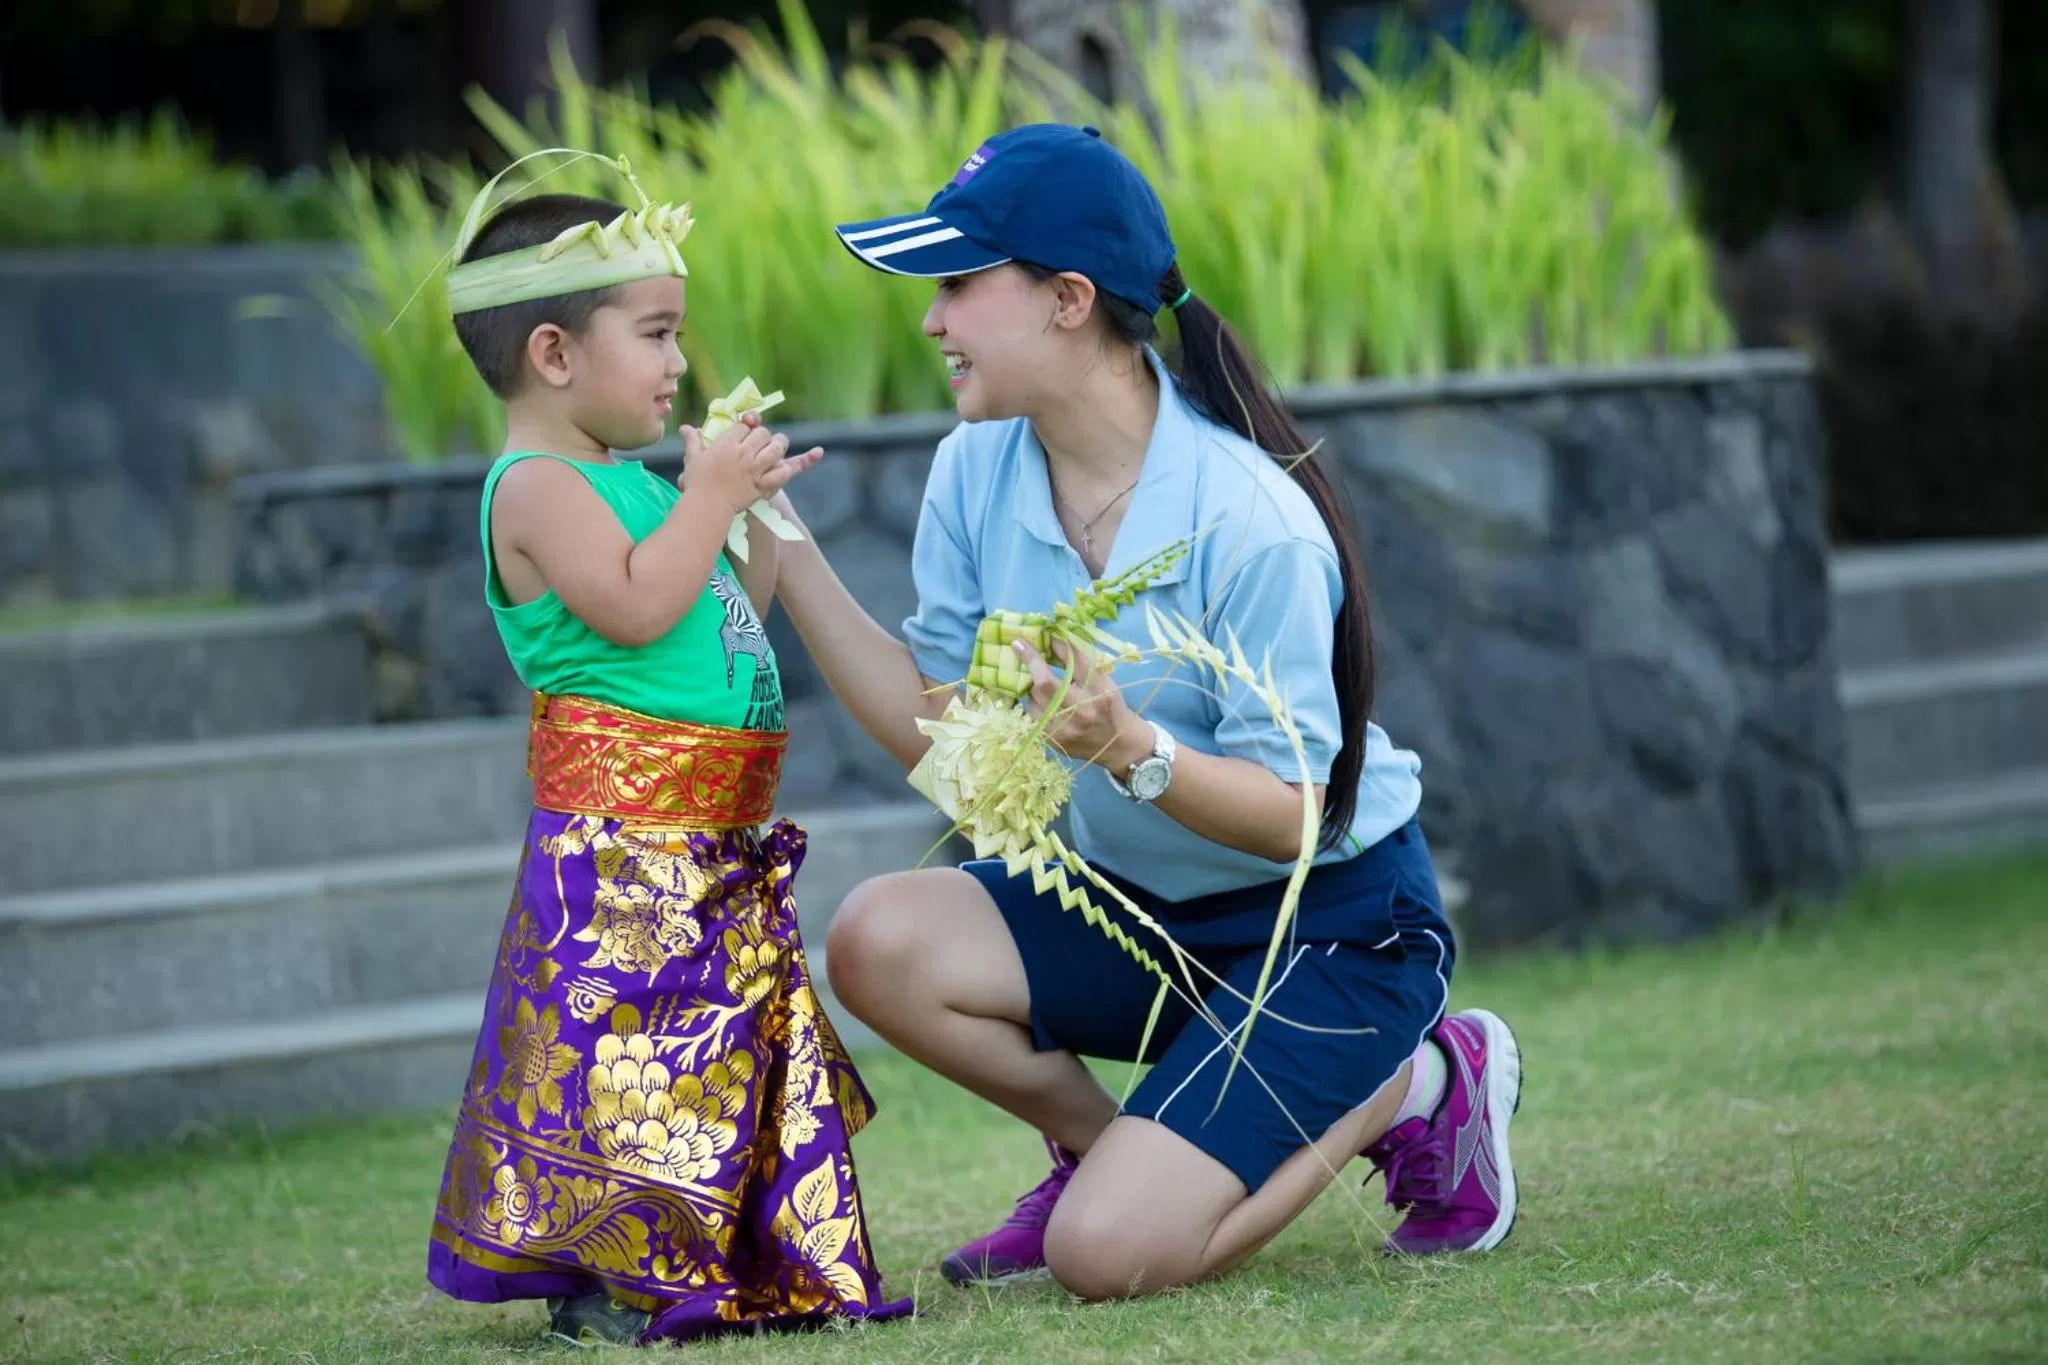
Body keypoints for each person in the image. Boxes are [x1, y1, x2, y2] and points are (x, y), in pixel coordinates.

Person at [766, 123, 1524, 1301]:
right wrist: (785, 549)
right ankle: (1092, 1155)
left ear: (1068, 300)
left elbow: (1293, 819)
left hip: (1321, 930)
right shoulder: (972, 470)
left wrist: (1130, 749)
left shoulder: (1248, 519)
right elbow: (951, 746)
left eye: (959, 284)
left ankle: (1419, 1081)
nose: (930, 319)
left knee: (1107, 1260)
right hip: (1134, 916)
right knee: (877, 937)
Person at [418, 172, 913, 1345]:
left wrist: (751, 525)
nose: (678, 364)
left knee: (723, 1059)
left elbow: (716, 606)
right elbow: (639, 609)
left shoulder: (638, 487)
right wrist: (704, 497)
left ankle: (741, 1249)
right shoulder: (535, 491)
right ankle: (615, 1266)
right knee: (633, 1064)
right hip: (622, 855)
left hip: (710, 834)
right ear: (550, 353)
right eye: (654, 335)